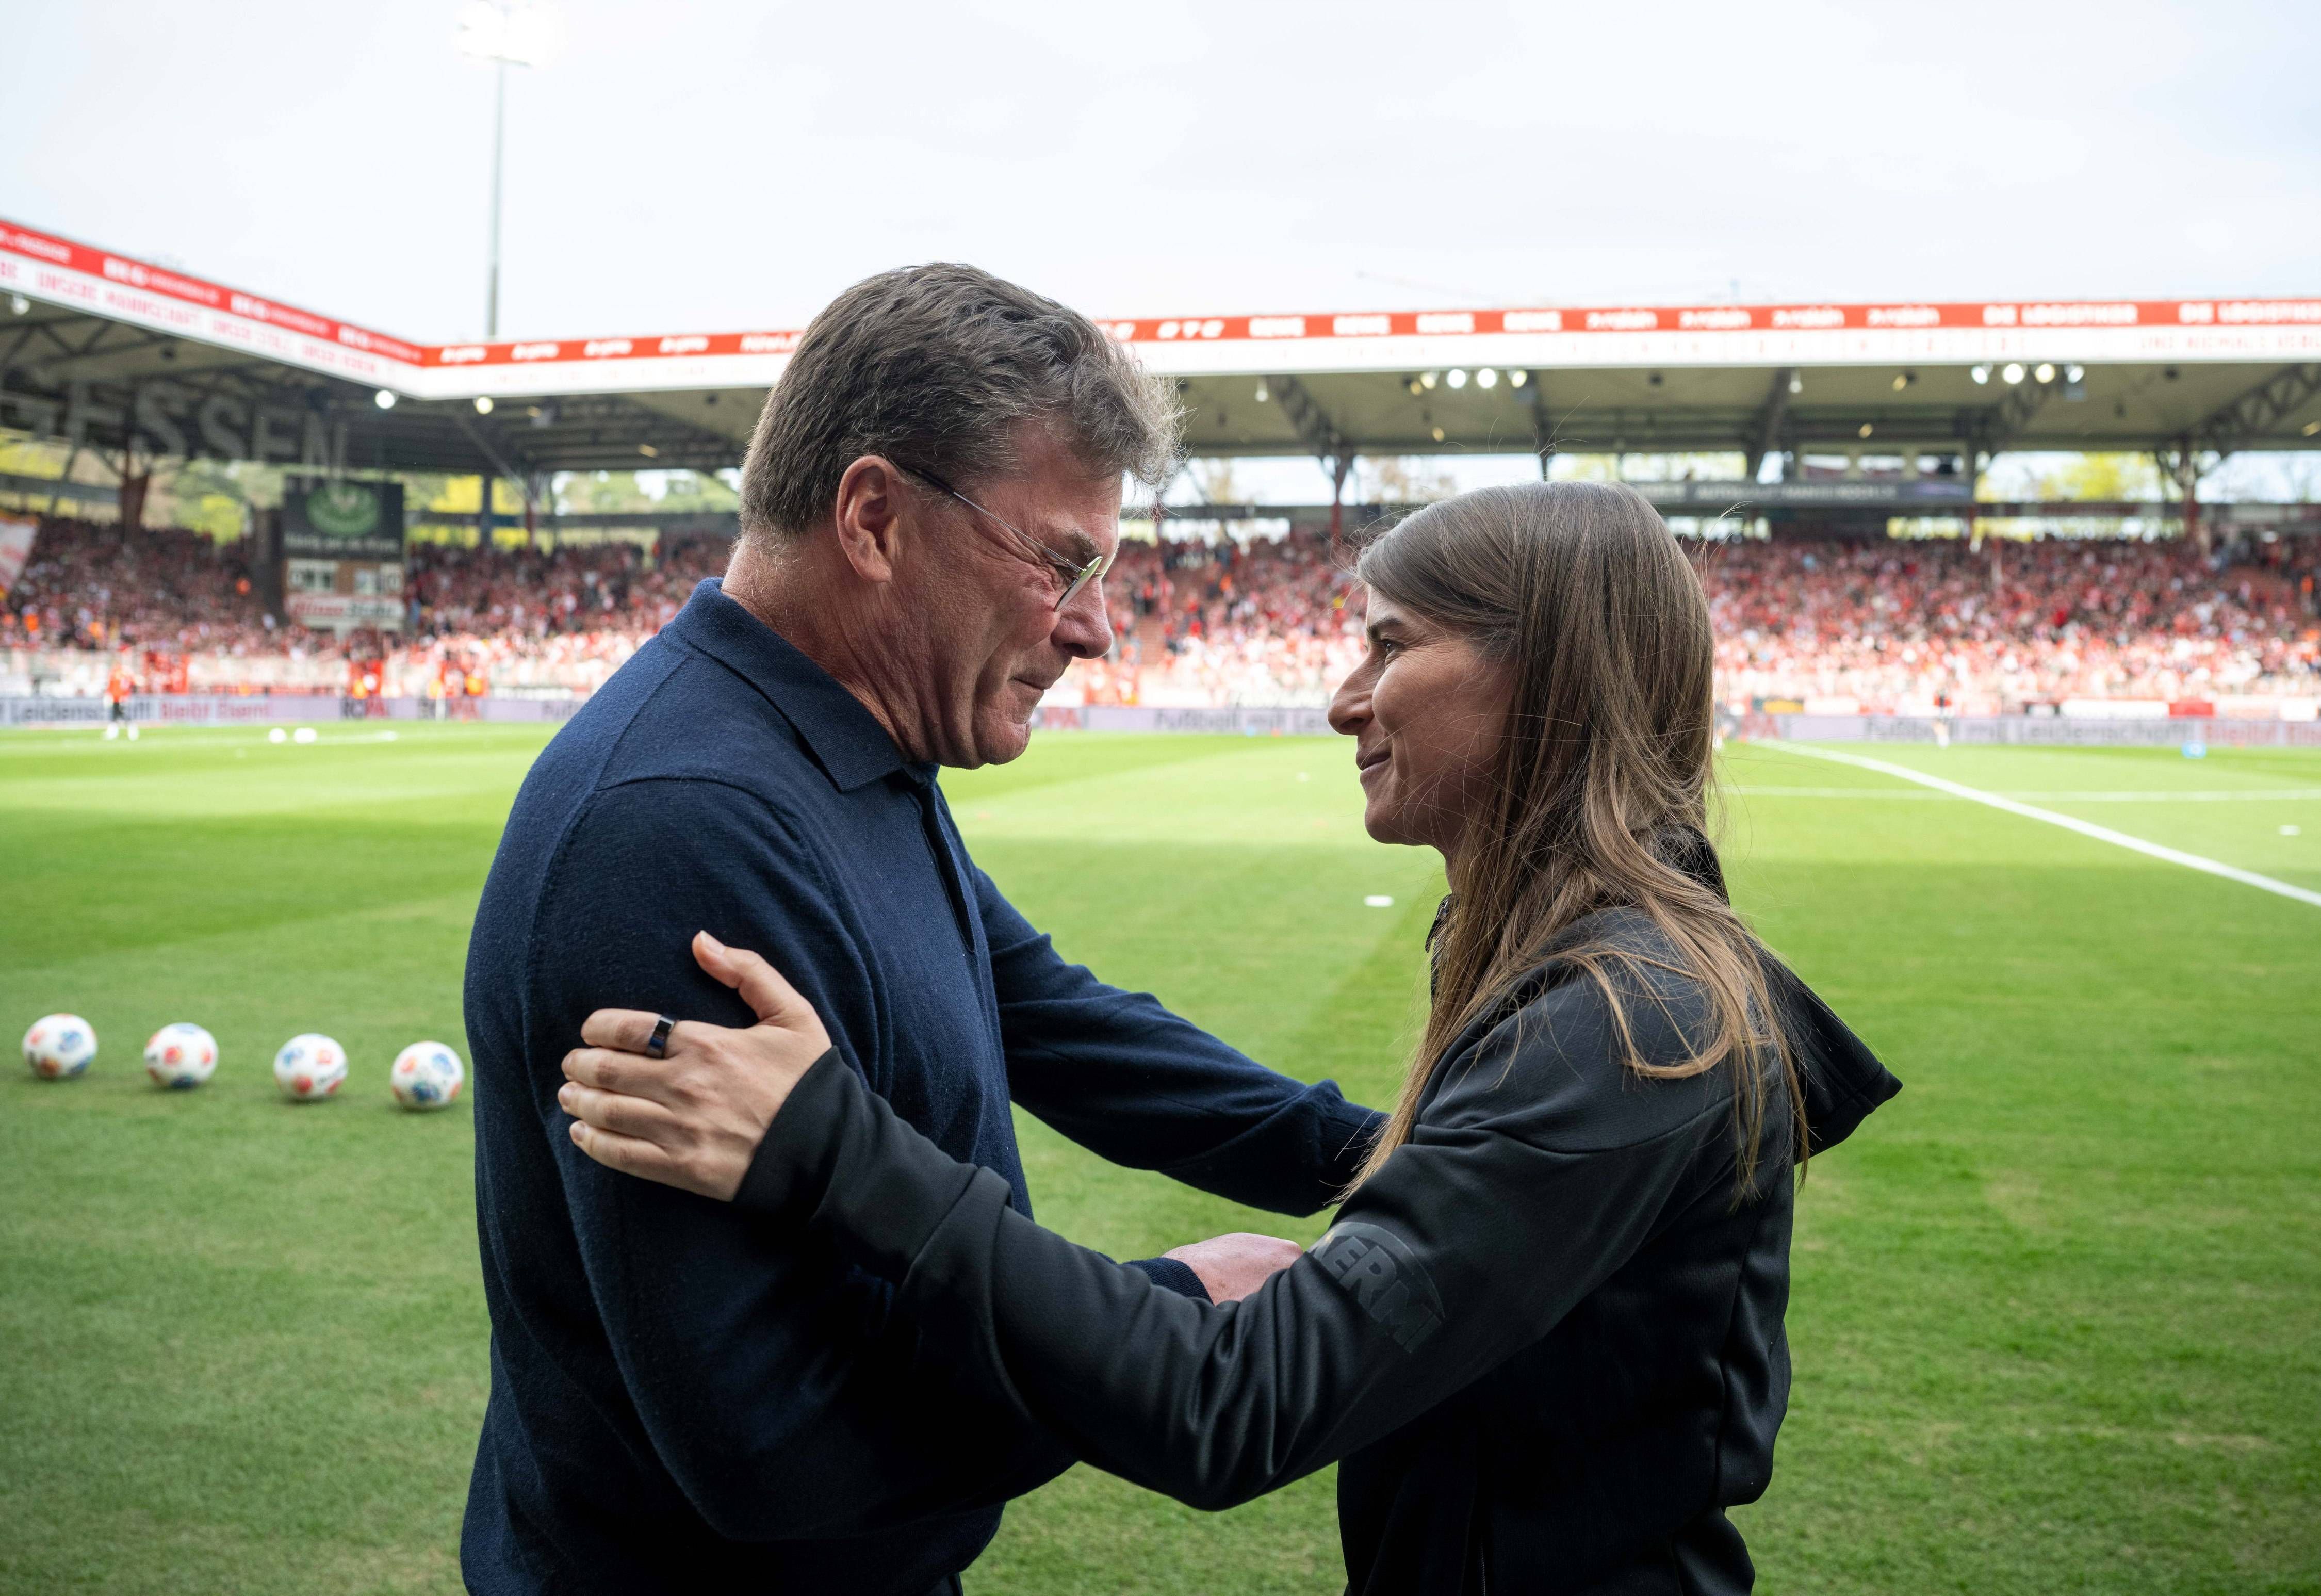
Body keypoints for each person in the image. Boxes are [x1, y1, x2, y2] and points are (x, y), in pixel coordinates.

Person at [557, 481, 1903, 1595]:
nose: (1341, 697)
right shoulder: (1565, 967)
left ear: (1539, 671)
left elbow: (1234, 1406)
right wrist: (1404, 1163)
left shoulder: (1629, 1021)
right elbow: (1065, 1022)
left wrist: (839, 1153)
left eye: (1387, 644)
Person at [459, 264, 1384, 1596]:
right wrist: (1169, 1321)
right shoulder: (679, 832)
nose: (1096, 627)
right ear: (876, 518)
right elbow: (776, 1452)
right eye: (1061, 561)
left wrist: (1371, 1158)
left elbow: (1046, 1017)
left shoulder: (837, 750)